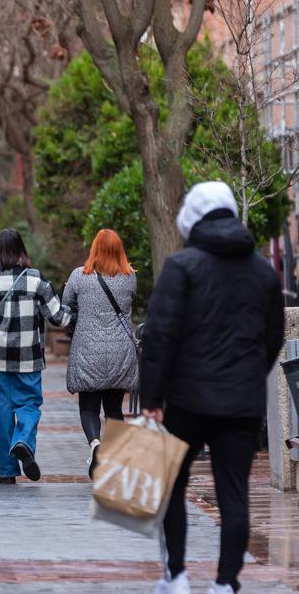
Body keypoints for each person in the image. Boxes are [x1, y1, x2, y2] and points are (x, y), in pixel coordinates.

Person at [141, 182, 283, 594]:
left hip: (187, 400)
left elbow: (161, 336)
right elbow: (271, 336)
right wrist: (250, 375)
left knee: (172, 485)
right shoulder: (261, 270)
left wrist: (152, 397)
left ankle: (177, 576)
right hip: (242, 402)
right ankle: (225, 584)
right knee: (234, 492)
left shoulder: (182, 266)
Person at [0, 228, 71, 484]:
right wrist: (73, 306)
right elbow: (59, 317)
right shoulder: (36, 281)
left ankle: (6, 472)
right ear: (21, 251)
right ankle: (23, 440)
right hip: (28, 355)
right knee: (29, 403)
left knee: (0, 411)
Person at [62, 229, 138, 478]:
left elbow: (65, 308)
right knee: (115, 409)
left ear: (94, 248)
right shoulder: (129, 277)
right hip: (119, 351)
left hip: (88, 349)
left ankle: (95, 444)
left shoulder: (78, 276)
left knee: (89, 406)